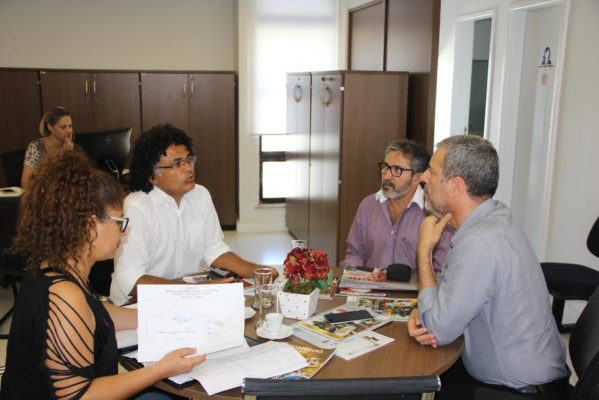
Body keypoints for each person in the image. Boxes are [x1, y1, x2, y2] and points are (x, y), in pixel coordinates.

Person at [1, 150, 205, 399]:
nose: (123, 231)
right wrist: (161, 369)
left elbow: (95, 313)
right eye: (120, 222)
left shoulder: (55, 267)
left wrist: (164, 316)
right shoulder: (65, 296)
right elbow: (79, 396)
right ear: (89, 226)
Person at [407, 136, 568, 399]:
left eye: (432, 172)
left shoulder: (479, 242)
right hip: (530, 376)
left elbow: (436, 329)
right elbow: (447, 294)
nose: (424, 177)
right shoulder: (494, 217)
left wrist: (424, 252)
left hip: (517, 391)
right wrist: (421, 308)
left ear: (456, 186)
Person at [110, 124, 277, 306]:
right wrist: (189, 291)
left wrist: (258, 271)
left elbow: (214, 250)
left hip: (185, 295)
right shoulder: (137, 207)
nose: (189, 168)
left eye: (189, 160)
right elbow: (130, 278)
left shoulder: (200, 195)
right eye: (177, 164)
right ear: (152, 176)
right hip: (138, 303)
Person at [340, 139, 452, 272]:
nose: (387, 175)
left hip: (414, 292)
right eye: (385, 167)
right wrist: (355, 279)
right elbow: (355, 253)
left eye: (397, 170)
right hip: (369, 289)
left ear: (417, 178)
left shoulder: (434, 212)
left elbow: (440, 268)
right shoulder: (368, 205)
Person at [21, 106, 74, 189]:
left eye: (70, 126)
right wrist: (64, 154)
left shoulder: (70, 146)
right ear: (50, 127)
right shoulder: (36, 147)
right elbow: (25, 183)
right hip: (44, 195)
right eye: (63, 127)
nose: (69, 131)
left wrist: (70, 153)